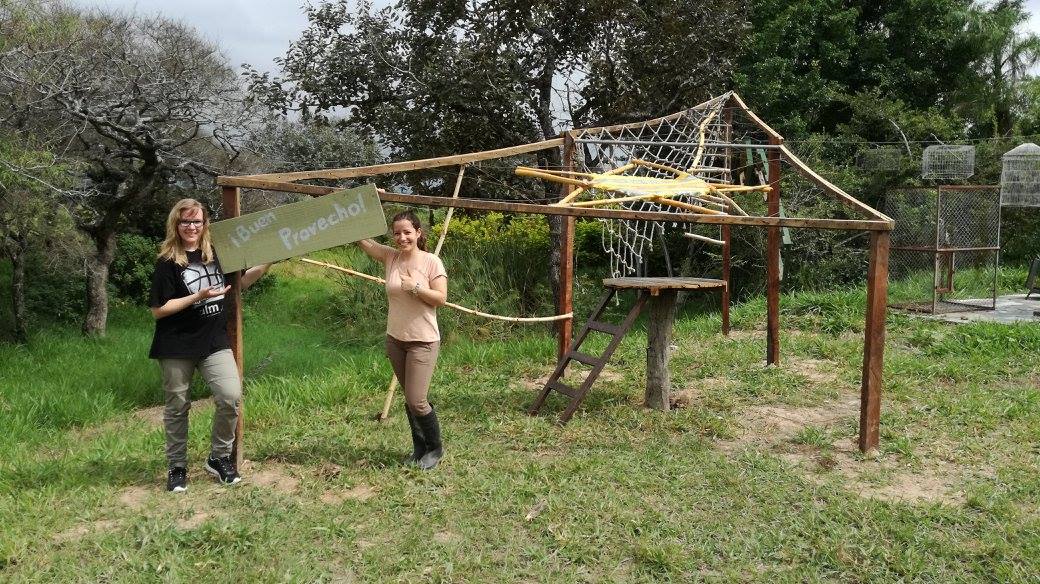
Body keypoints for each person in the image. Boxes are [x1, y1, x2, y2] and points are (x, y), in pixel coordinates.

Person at [148, 198, 270, 492]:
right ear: (176, 225)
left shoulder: (217, 254)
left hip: (214, 341)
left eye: (197, 221)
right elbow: (158, 309)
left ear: (205, 225)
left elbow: (239, 284)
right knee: (177, 406)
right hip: (176, 344)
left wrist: (268, 261)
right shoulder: (167, 262)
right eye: (186, 222)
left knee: (230, 397)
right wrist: (197, 297)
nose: (191, 227)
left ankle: (218, 457)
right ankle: (177, 467)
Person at [357, 210, 448, 470]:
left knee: (417, 399)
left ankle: (435, 448)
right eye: (397, 233)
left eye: (407, 232)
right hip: (396, 339)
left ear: (418, 233)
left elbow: (441, 299)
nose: (402, 238)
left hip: (423, 340)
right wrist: (361, 204)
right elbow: (364, 242)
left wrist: (416, 288)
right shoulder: (391, 257)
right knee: (409, 398)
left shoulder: (432, 262)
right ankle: (419, 447)